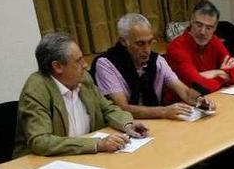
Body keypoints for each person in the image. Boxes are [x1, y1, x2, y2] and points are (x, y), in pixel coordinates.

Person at [13, 32, 149, 158]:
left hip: (86, 158)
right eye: (78, 61)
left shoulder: (83, 79)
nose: (85, 65)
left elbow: (108, 108)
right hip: (44, 165)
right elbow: (40, 141)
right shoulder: (36, 89)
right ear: (57, 67)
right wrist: (97, 144)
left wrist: (127, 124)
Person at [93, 13, 215, 120]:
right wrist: (163, 111)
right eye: (140, 43)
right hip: (126, 127)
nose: (147, 50)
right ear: (124, 41)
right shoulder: (106, 64)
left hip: (156, 121)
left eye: (150, 42)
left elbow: (185, 92)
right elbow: (122, 108)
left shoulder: (157, 61)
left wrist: (199, 100)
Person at [166, 1, 234, 94]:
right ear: (191, 21)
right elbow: (197, 85)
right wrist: (222, 74)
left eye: (209, 28)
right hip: (181, 104)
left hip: (213, 96)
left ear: (215, 28)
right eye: (199, 25)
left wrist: (215, 72)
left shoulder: (214, 41)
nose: (203, 32)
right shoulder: (177, 47)